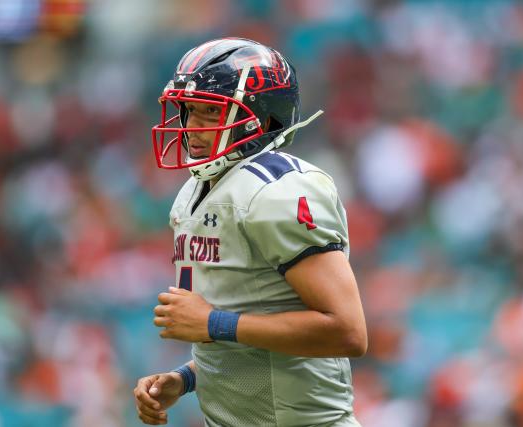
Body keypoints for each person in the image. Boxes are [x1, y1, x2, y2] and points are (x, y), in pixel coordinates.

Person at [134, 37, 368, 426]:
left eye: (210, 113)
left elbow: (347, 331)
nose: (191, 127)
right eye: (188, 110)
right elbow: (253, 329)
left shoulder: (279, 189)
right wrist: (186, 378)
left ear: (264, 119)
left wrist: (211, 323)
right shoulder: (199, 189)